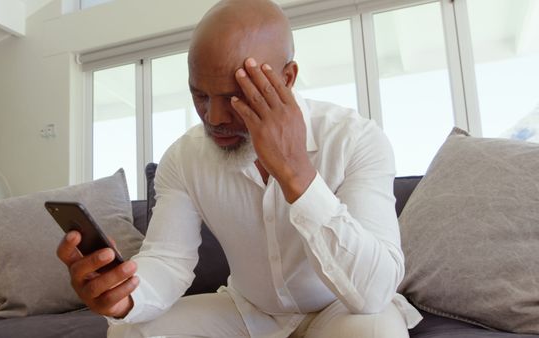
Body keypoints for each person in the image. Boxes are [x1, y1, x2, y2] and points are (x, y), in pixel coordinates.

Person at [57, 0, 422, 336]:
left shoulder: (356, 139)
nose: (214, 118)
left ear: (287, 79)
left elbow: (374, 293)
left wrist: (296, 173)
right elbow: (168, 262)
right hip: (248, 312)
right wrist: (124, 298)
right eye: (200, 95)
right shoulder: (184, 157)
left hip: (343, 309)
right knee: (128, 330)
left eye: (235, 96)